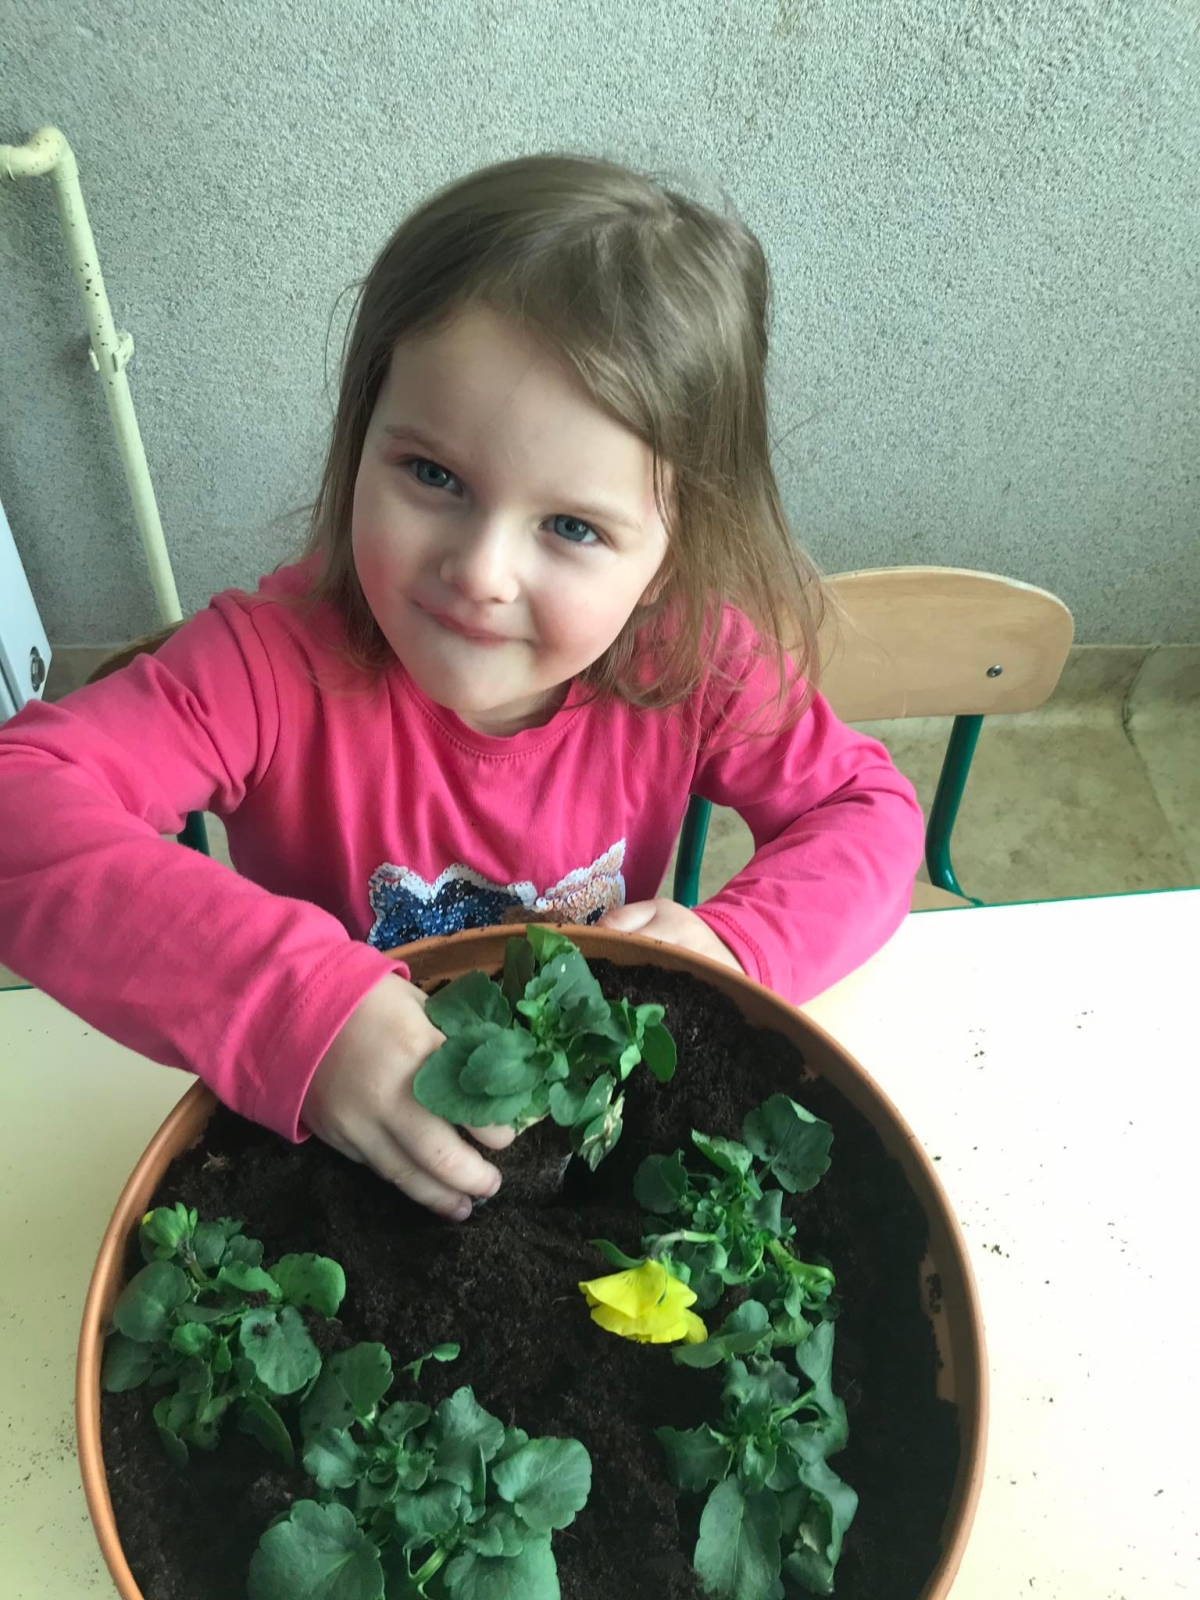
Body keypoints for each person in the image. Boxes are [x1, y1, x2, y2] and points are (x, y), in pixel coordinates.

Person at [0, 155, 923, 1221]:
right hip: (331, 1132)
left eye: (572, 527)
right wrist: (297, 1008)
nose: (481, 572)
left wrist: (737, 948)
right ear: (361, 439)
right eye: (433, 475)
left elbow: (867, 811)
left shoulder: (690, 659)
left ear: (671, 553)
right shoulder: (266, 667)